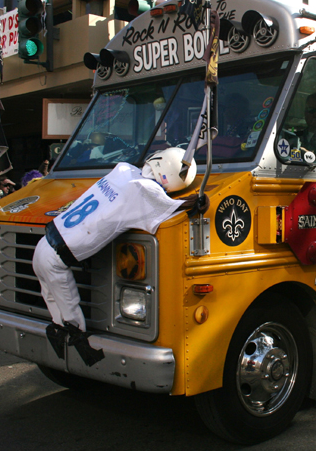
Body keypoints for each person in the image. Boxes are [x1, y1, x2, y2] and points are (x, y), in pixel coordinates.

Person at [32, 148, 205, 366]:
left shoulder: (123, 171)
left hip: (43, 244)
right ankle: (86, 356)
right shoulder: (144, 190)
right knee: (70, 309)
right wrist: (194, 203)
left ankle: (58, 343)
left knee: (53, 303)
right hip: (56, 259)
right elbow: (170, 209)